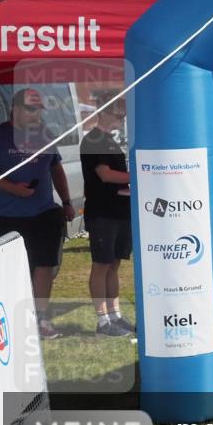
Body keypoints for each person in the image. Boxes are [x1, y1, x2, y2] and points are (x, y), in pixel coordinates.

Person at [0, 88, 75, 339]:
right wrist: (14, 189)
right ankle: (19, 319)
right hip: (13, 215)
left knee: (45, 266)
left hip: (45, 212)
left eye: (39, 110)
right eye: (32, 109)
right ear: (17, 109)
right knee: (20, 269)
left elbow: (56, 169)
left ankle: (41, 320)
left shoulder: (44, 134)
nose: (37, 115)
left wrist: (66, 201)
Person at [79, 98, 135, 337]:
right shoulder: (93, 139)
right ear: (103, 113)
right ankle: (103, 321)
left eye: (123, 116)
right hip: (103, 213)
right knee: (101, 265)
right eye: (118, 115)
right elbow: (105, 174)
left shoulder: (110, 139)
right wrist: (137, 175)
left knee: (114, 265)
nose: (121, 119)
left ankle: (115, 315)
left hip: (119, 210)